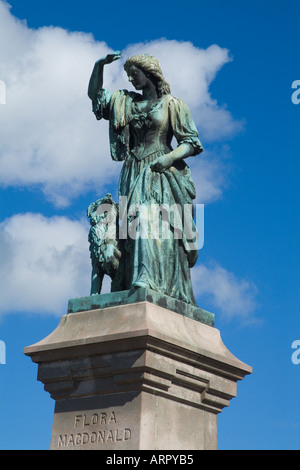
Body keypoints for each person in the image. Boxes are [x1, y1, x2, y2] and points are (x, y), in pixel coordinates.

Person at [88, 51, 203, 305]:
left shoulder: (173, 104)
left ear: (149, 73)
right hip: (132, 171)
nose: (130, 79)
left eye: (134, 74)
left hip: (160, 171)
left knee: (147, 219)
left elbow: (191, 143)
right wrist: (99, 67)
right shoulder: (126, 102)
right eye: (128, 75)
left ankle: (146, 279)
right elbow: (96, 97)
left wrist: (171, 157)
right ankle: (130, 281)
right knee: (128, 228)